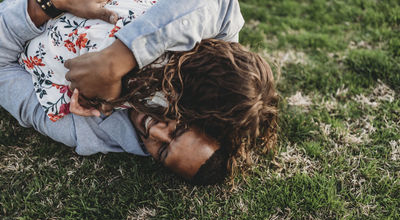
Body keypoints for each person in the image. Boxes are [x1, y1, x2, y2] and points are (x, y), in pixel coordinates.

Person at [0, 0, 278, 184]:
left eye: (162, 151)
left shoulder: (90, 129)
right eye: (177, 129)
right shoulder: (211, 60)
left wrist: (46, 6)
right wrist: (119, 59)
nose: (154, 132)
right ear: (198, 115)